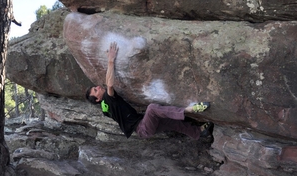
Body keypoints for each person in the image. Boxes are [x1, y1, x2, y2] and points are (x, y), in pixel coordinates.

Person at [85, 41, 213, 141]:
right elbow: (110, 85)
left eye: (95, 87)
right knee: (152, 108)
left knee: (170, 122)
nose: (97, 87)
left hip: (142, 126)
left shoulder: (105, 108)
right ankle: (189, 109)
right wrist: (110, 60)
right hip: (142, 128)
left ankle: (199, 132)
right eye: (95, 90)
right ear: (97, 99)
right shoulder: (107, 100)